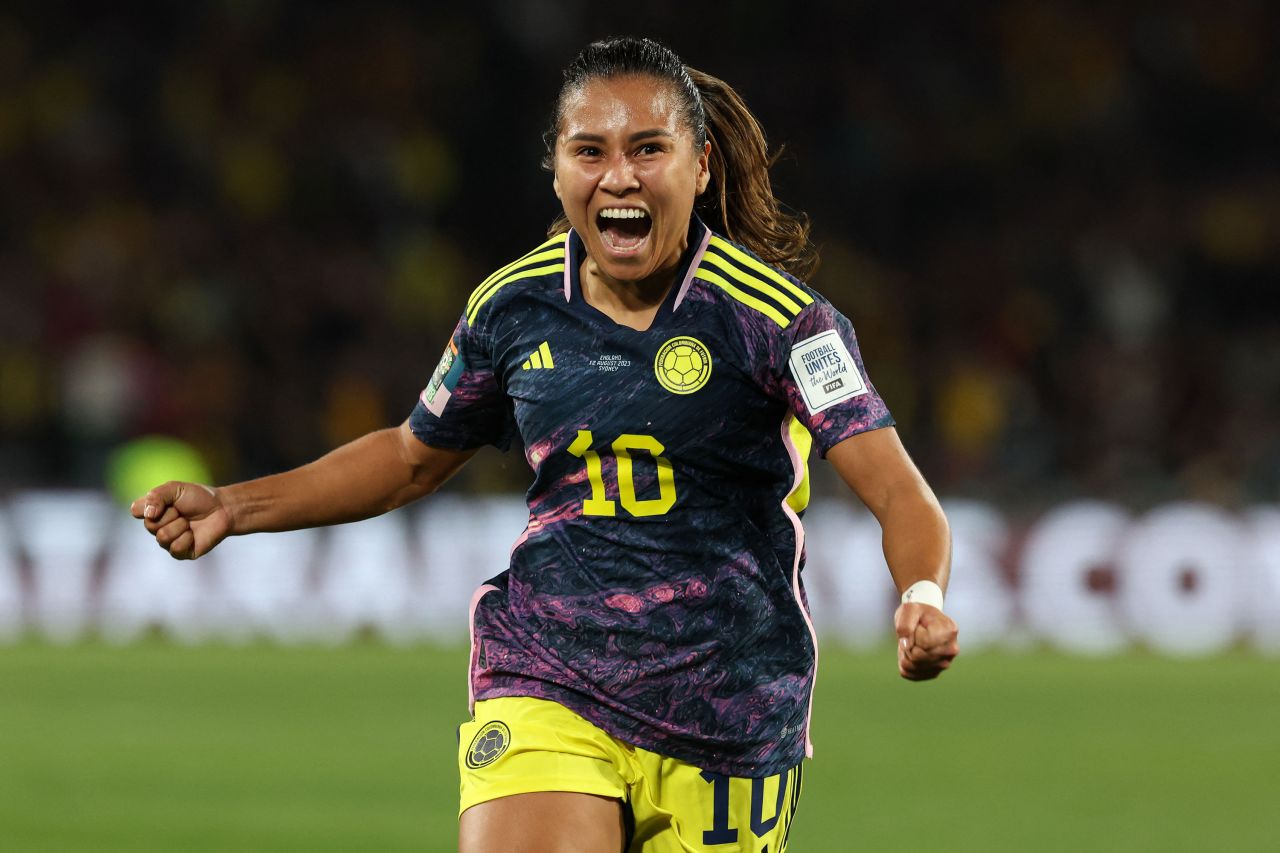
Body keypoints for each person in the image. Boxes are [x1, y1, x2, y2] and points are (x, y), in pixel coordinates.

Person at [132, 36, 958, 853]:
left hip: (728, 707)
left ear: (699, 166)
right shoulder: (512, 308)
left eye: (648, 149)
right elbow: (411, 456)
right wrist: (232, 507)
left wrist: (922, 589)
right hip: (549, 673)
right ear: (557, 169)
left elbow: (896, 489)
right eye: (590, 151)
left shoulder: (779, 320)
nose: (619, 176)